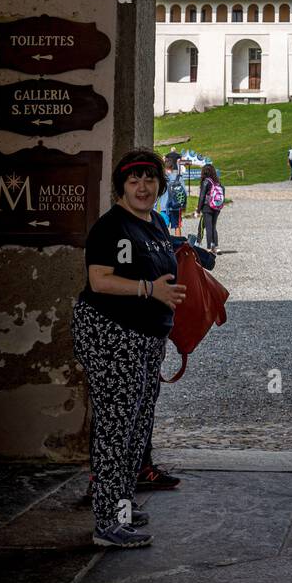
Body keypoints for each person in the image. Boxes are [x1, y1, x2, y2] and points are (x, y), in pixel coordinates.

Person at [72, 149, 187, 547]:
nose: (143, 187)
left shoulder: (153, 221)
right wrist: (149, 289)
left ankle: (121, 505)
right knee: (116, 426)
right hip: (112, 334)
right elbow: (101, 280)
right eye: (134, 180)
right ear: (121, 186)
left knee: (136, 428)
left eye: (150, 179)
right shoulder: (111, 228)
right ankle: (106, 522)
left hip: (145, 337)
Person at [197, 163, 225, 250]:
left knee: (208, 227)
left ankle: (209, 247)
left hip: (207, 207)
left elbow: (202, 197)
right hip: (217, 206)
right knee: (213, 227)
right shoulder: (218, 182)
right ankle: (215, 246)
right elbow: (223, 192)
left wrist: (198, 209)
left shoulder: (206, 182)